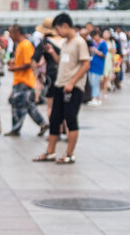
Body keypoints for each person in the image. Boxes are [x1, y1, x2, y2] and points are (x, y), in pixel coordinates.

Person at [33, 13, 89, 164]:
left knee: (70, 119)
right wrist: (52, 53)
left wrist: (72, 82)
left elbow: (86, 64)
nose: (57, 33)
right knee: (55, 119)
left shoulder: (79, 42)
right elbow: (61, 62)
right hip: (59, 85)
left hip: (72, 87)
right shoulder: (65, 43)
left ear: (65, 25)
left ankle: (69, 154)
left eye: (58, 29)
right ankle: (50, 152)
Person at [5, 23, 47, 136]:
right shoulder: (20, 45)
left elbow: (29, 63)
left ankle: (16, 128)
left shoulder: (25, 45)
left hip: (24, 80)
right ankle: (42, 124)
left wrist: (14, 68)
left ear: (17, 32)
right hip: (20, 80)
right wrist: (13, 62)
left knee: (19, 106)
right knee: (27, 105)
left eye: (11, 33)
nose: (10, 36)